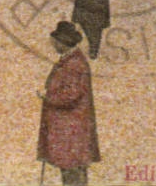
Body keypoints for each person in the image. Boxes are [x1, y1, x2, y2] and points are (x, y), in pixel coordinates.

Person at [39, 19, 100, 186]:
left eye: (55, 42)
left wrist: (47, 97)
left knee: (72, 169)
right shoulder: (71, 59)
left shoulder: (74, 63)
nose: (53, 45)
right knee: (72, 169)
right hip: (69, 127)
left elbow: (72, 95)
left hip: (71, 127)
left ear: (63, 42)